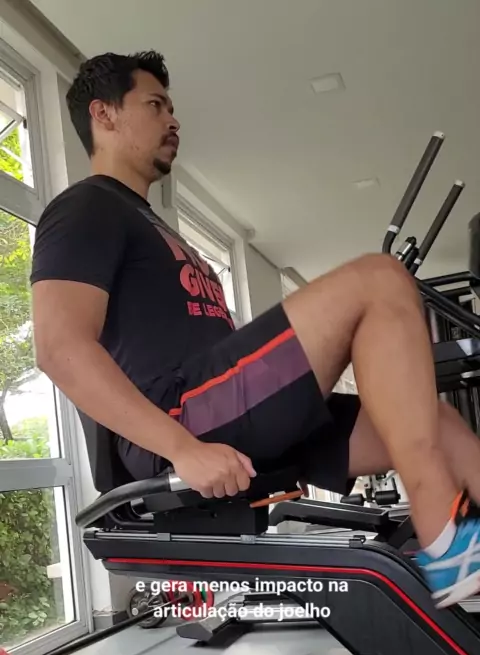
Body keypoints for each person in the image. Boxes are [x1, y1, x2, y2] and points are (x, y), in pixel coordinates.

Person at [30, 51, 480, 609]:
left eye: (171, 108)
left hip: (227, 406)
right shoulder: (86, 207)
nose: (173, 120)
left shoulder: (153, 225)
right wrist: (183, 449)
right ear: (104, 114)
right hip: (183, 416)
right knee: (379, 279)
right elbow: (60, 347)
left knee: (438, 420)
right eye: (155, 105)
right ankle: (445, 536)